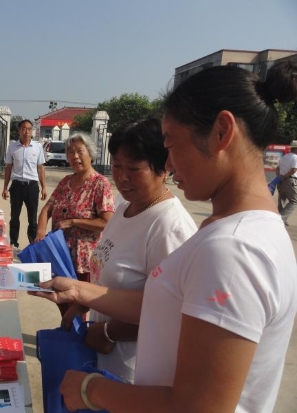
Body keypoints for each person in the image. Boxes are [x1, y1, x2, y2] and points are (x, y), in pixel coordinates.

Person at [32, 61, 297, 412]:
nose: (168, 164)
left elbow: (196, 407)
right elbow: (163, 305)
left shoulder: (233, 250)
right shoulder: (240, 231)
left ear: (221, 133)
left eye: (171, 144)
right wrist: (81, 291)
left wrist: (91, 389)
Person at [85, 118, 196, 383]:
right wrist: (82, 304)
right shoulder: (124, 207)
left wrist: (109, 332)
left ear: (163, 168)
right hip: (104, 360)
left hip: (135, 372)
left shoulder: (170, 227)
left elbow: (172, 310)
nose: (122, 177)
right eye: (116, 166)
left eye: (134, 169)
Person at [34, 132, 115, 315]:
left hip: (83, 260)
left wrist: (73, 222)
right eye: (70, 152)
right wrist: (40, 232)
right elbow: (47, 209)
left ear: (90, 154)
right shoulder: (66, 182)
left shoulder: (100, 184)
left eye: (79, 151)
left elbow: (106, 222)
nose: (74, 156)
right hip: (60, 254)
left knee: (78, 307)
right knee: (62, 303)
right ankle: (67, 332)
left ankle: (77, 332)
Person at [2, 119, 47, 249]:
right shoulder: (12, 147)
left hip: (32, 186)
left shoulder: (37, 147)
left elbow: (40, 168)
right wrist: (5, 187)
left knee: (32, 218)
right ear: (19, 130)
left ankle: (33, 243)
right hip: (16, 186)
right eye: (24, 128)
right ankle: (13, 242)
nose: (26, 131)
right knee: (14, 216)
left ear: (32, 131)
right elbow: (8, 168)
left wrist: (44, 187)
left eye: (29, 129)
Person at [276, 143, 297, 225]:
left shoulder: (284, 157)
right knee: (294, 201)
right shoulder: (295, 157)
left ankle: (278, 218)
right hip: (290, 180)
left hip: (281, 180)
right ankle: (281, 218)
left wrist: (279, 177)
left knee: (282, 200)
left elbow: (277, 168)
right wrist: (285, 177)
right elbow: (293, 170)